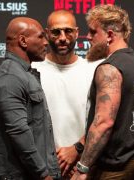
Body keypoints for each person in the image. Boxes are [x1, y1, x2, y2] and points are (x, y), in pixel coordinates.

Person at [71, 4, 134, 180]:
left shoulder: (109, 68)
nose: (88, 37)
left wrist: (82, 168)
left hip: (116, 167)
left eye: (93, 32)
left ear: (109, 35)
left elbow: (104, 122)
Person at [31, 9, 102, 178]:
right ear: (47, 34)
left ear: (77, 33)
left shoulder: (93, 70)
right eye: (56, 32)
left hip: (83, 169)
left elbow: (103, 119)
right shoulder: (32, 71)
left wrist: (77, 150)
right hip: (43, 169)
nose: (62, 38)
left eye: (68, 31)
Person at [0, 17, 61, 180]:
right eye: (41, 36)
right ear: (23, 40)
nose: (46, 42)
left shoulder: (23, 74)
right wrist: (43, 174)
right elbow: (18, 132)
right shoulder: (10, 78)